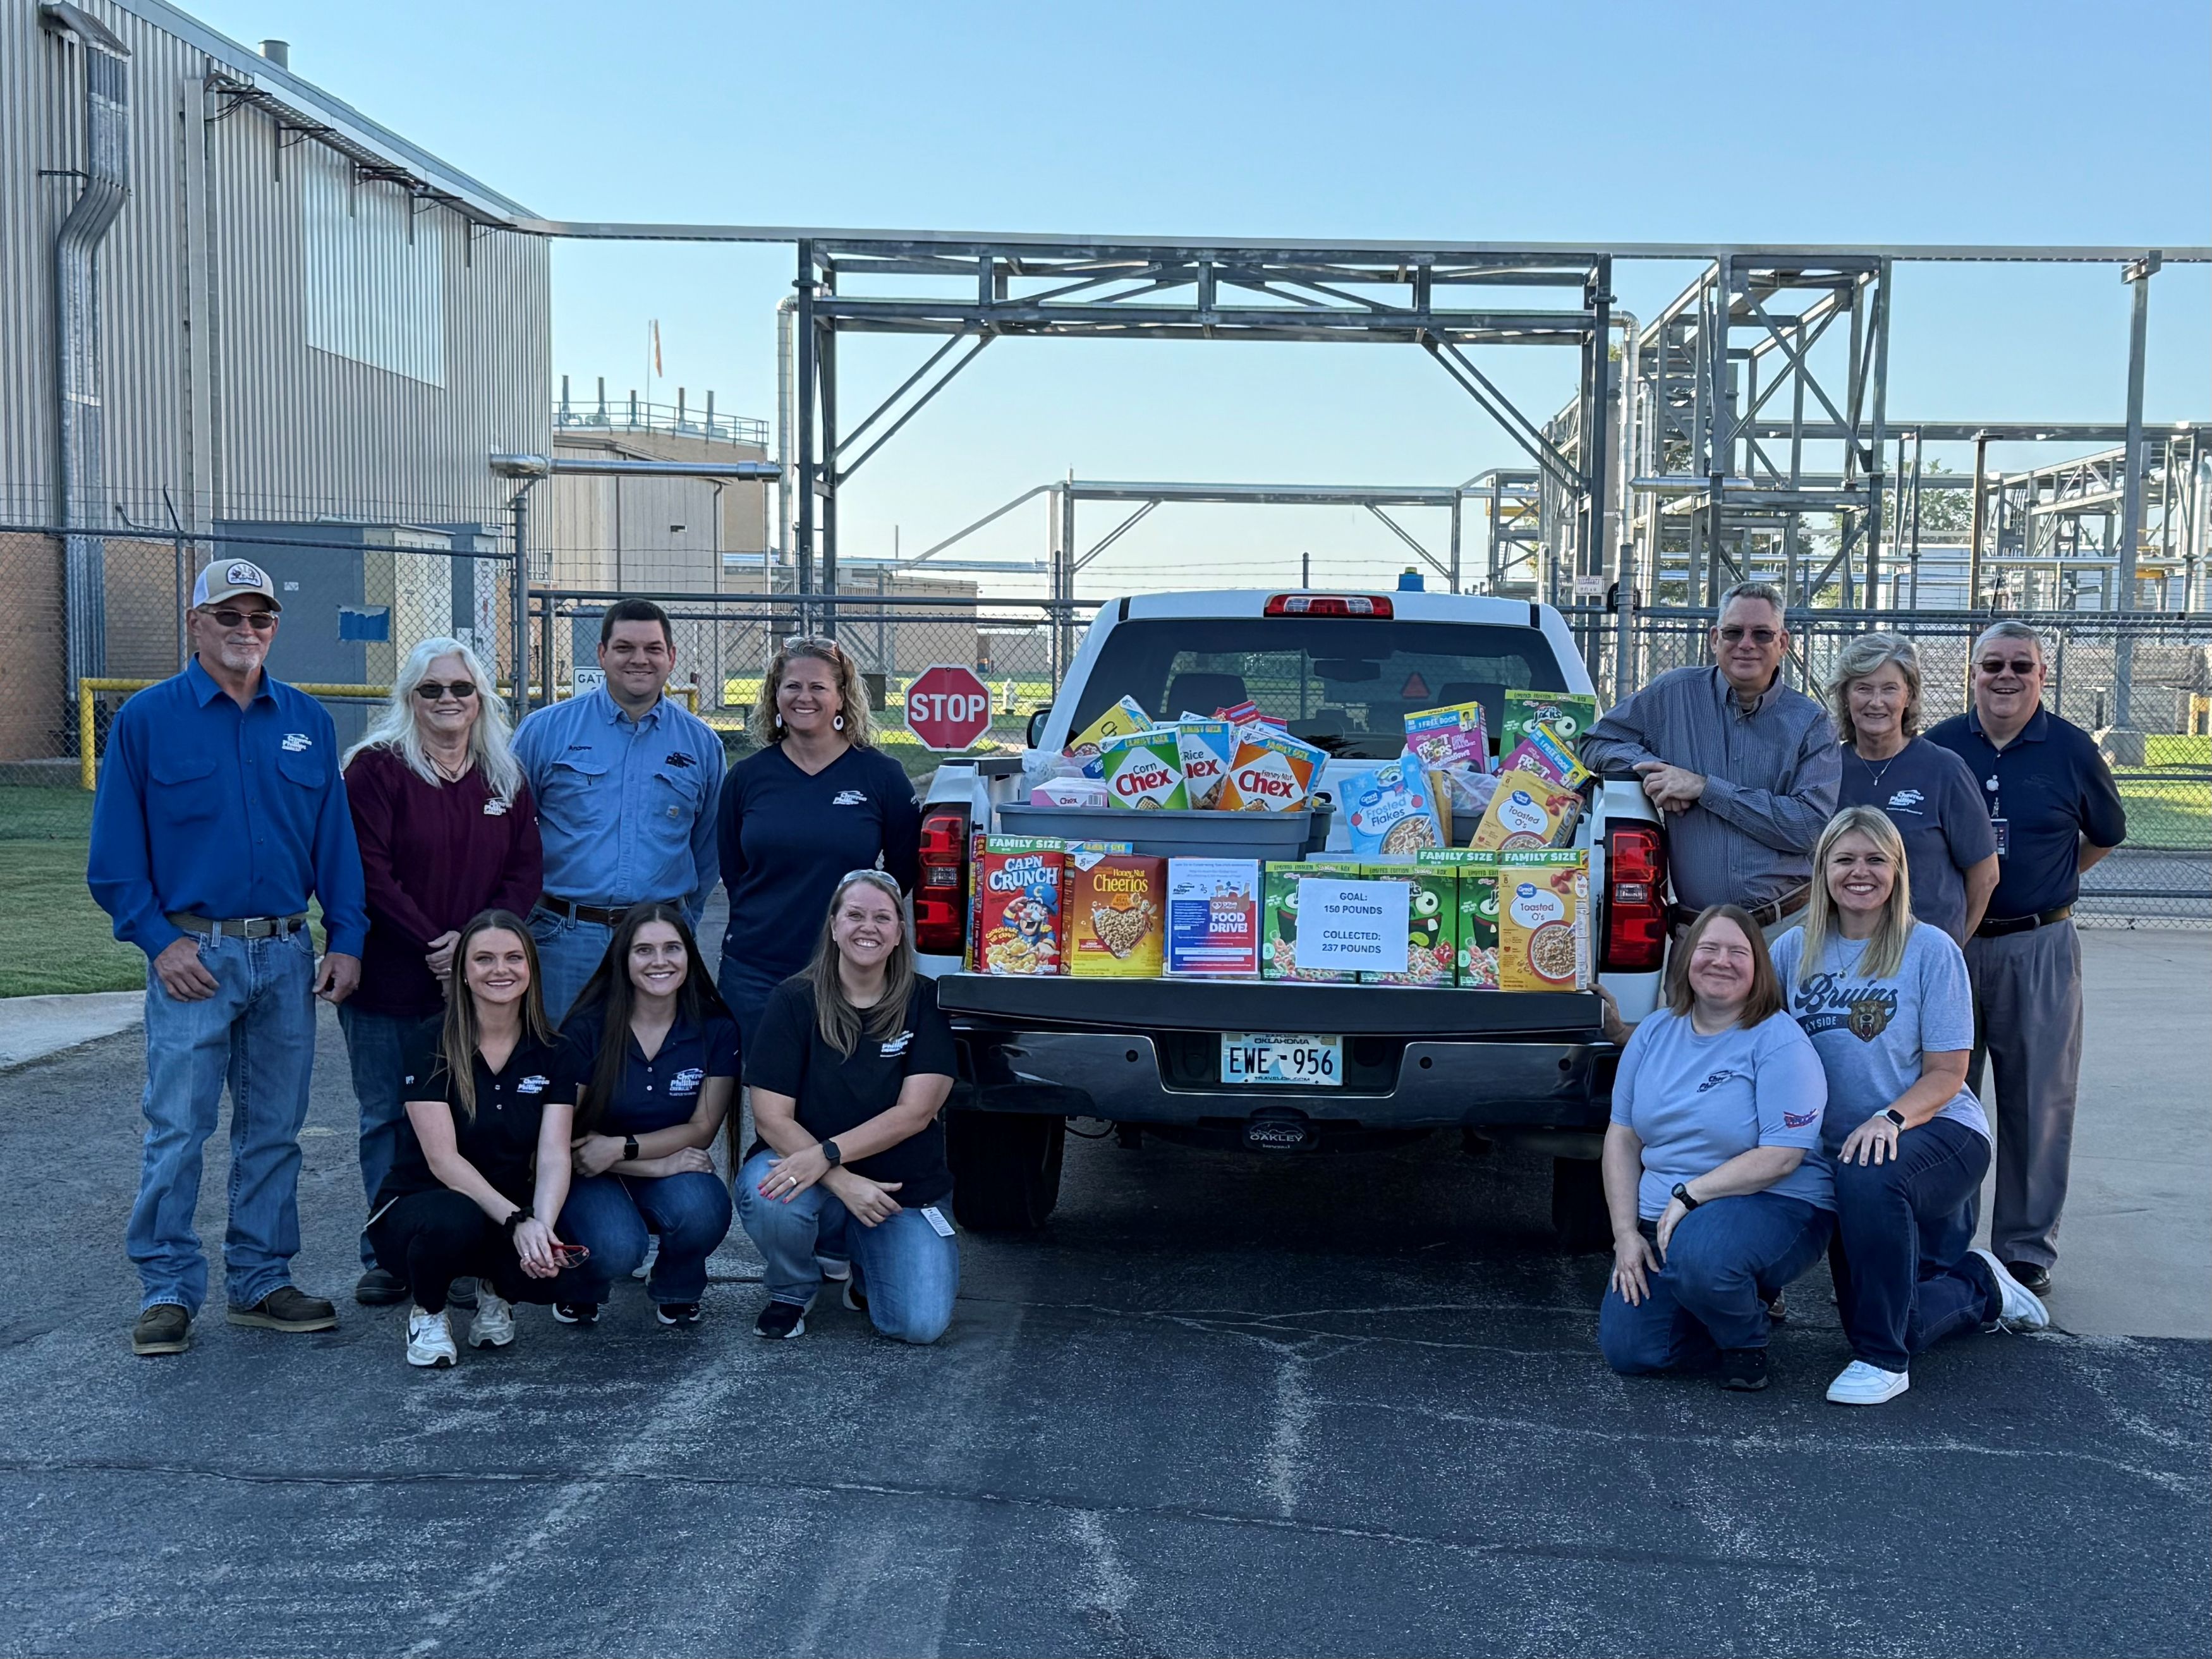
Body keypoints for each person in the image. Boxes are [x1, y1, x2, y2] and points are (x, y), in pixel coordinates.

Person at [88, 559, 368, 1358]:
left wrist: (345, 937)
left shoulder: (307, 722)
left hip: (284, 955)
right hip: (193, 956)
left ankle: (259, 1278)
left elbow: (334, 847)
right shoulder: (147, 720)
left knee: (275, 1130)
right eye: (229, 617)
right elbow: (113, 859)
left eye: (260, 618)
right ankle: (168, 1287)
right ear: (196, 623)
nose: (246, 631)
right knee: (177, 1128)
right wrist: (158, 941)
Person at [1770, 808, 2050, 1408]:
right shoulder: (1792, 950)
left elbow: (1949, 1073)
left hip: (1937, 1129)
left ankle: (1882, 1361)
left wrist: (1889, 1118)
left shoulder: (1930, 949)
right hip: (1846, 1150)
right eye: (1844, 859)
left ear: (1898, 871)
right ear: (1823, 871)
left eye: (1876, 859)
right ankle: (1980, 1287)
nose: (1860, 872)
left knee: (1868, 1175)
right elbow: (1747, 1040)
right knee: (1904, 1314)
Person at [341, 637, 542, 1308]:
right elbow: (369, 871)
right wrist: (435, 942)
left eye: (461, 688)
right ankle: (389, 1253)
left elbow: (525, 871)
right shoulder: (375, 770)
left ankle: (462, 1252)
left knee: (474, 1119)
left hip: (480, 989)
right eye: (432, 690)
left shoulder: (503, 774)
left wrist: (478, 947)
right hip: (392, 977)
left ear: (480, 696)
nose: (448, 700)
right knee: (386, 1116)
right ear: (409, 698)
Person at [1926, 621, 2126, 1297]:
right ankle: (1945, 1242)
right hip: (1951, 946)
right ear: (1972, 675)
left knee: (2037, 1100)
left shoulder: (2069, 749)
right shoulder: (1940, 745)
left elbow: (2102, 835)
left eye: (2020, 665)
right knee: (1944, 1095)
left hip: (2036, 945)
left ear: (2041, 675)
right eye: (1991, 666)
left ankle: (2023, 1251)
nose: (2004, 677)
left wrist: (2048, 885)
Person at [1598, 905, 1833, 1392]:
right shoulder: (1655, 1034)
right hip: (1666, 1219)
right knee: (1632, 1351)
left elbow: (1782, 1155)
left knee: (1702, 1256)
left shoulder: (1778, 1040)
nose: (1720, 961)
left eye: (1737, 952)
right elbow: (1622, 1136)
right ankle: (1731, 1293)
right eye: (1708, 948)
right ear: (1686, 959)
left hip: (1771, 1202)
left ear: (1758, 968)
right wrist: (1624, 1233)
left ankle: (1745, 1340)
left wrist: (1690, 1195)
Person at [365, 910, 600, 1368]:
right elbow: (443, 1161)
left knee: (573, 1277)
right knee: (456, 1219)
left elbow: (554, 1155)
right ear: (464, 973)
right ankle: (429, 1312)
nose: (501, 970)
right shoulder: (430, 1041)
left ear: (531, 968)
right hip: (423, 1206)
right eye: (485, 959)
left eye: (514, 957)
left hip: (506, 1208)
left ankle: (496, 1291)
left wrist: (543, 1229)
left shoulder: (555, 1052)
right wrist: (517, 1222)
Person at [737, 870, 957, 1344]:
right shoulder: (793, 999)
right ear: (834, 925)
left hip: (902, 1188)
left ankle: (864, 1269)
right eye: (854, 914)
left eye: (883, 917)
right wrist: (838, 1176)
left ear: (900, 932)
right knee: (767, 1191)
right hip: (818, 1172)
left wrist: (826, 1156)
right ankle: (793, 1289)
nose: (868, 927)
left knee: (919, 1325)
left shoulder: (926, 1001)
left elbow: (915, 1112)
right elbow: (771, 1116)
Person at [1580, 580, 1840, 937]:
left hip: (1786, 930)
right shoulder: (1673, 695)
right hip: (1695, 931)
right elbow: (1597, 743)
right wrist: (1656, 774)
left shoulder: (1811, 723)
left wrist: (1703, 788)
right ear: (1715, 639)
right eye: (1734, 632)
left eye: (1762, 634)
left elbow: (1806, 829)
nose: (1746, 645)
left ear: (1782, 643)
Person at [512, 599, 726, 1025]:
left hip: (660, 941)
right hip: (563, 940)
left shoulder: (702, 745)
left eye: (652, 648)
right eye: (625, 647)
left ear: (671, 657)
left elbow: (709, 848)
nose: (639, 659)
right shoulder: (545, 732)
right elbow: (508, 832)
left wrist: (680, 920)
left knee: (650, 1074)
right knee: (561, 1071)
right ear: (602, 654)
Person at [716, 636, 920, 1044]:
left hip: (849, 967)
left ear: (842, 697)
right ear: (775, 696)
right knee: (762, 1086)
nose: (803, 697)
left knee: (838, 1092)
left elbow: (902, 872)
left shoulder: (881, 776)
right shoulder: (747, 777)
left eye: (818, 687)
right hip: (757, 965)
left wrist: (861, 928)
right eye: (792, 686)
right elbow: (733, 870)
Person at [556, 904, 738, 1328]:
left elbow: (703, 1129)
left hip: (642, 1158)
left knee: (704, 1206)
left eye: (672, 948)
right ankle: (580, 1287)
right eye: (644, 950)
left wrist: (625, 1149)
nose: (660, 961)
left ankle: (679, 1286)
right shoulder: (588, 1028)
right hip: (588, 1172)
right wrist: (655, 1162)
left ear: (689, 956)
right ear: (623, 959)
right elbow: (566, 1141)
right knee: (618, 1247)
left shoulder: (716, 1028)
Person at [1828, 631, 1998, 944]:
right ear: (1845, 696)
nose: (1876, 702)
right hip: (1846, 958)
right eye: (1863, 688)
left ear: (1908, 696)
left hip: (1921, 953)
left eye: (1889, 689)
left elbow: (1985, 875)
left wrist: (1951, 946)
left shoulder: (1944, 770)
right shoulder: (1825, 770)